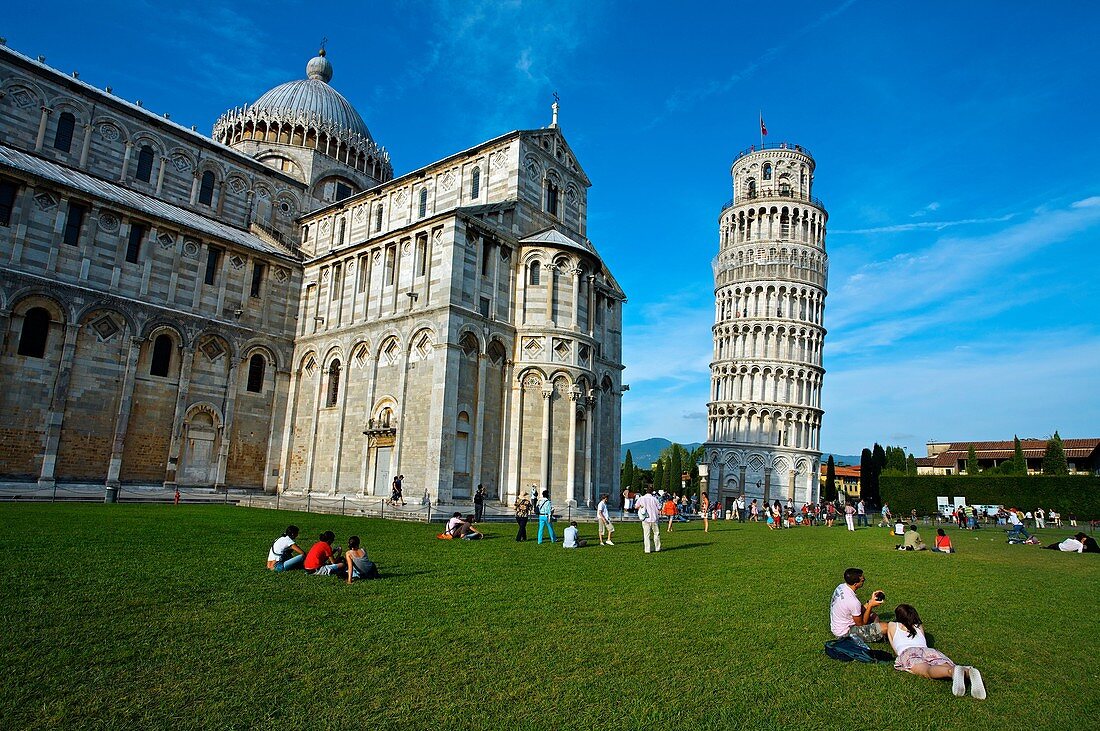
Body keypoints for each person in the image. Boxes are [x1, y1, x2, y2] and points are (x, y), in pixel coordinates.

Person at [877, 604, 986, 699]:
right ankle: (967, 671)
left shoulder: (892, 625)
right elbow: (923, 640)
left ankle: (952, 672)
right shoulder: (918, 626)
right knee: (944, 664)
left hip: (908, 652)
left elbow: (894, 646)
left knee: (927, 670)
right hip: (928, 650)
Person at [829, 567, 885, 643]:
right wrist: (871, 606)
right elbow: (861, 624)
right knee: (885, 627)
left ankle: (876, 632)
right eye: (862, 580)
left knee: (873, 615)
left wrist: (870, 602)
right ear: (855, 584)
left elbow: (856, 610)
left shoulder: (841, 587)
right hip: (845, 634)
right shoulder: (853, 602)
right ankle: (879, 635)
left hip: (838, 627)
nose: (864, 580)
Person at [636, 486, 662, 553]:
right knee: (656, 533)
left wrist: (641, 507)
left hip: (645, 519)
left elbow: (636, 506)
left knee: (646, 535)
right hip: (654, 518)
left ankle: (647, 549)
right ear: (652, 492)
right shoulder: (655, 499)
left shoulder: (641, 498)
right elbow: (659, 507)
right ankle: (657, 548)